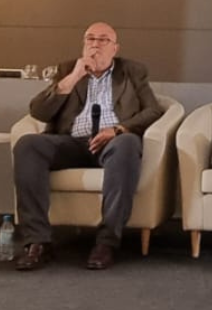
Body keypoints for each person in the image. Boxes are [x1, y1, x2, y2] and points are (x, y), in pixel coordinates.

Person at [11, 22, 164, 271]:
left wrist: (118, 129)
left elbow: (153, 110)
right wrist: (73, 78)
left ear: (115, 48)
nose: (95, 45)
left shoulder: (132, 71)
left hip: (112, 142)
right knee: (28, 145)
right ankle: (37, 241)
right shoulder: (67, 70)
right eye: (90, 39)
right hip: (71, 142)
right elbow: (39, 112)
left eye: (103, 40)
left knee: (127, 144)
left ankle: (106, 242)